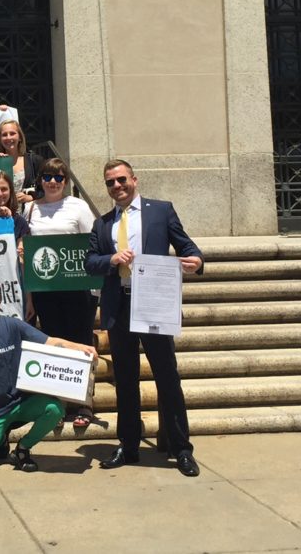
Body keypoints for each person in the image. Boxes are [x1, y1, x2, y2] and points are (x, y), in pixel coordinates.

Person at [86, 159, 204, 478]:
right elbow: (90, 263)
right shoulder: (103, 222)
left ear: (134, 180)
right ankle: (129, 444)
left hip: (154, 303)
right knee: (125, 380)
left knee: (167, 376)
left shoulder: (160, 211)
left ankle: (181, 448)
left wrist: (196, 260)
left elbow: (186, 245)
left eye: (121, 179)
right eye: (110, 182)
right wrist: (111, 259)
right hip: (119, 306)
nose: (117, 186)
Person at [0, 274, 97, 475]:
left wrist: (80, 347)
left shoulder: (12, 326)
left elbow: (49, 341)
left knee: (54, 409)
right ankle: (0, 437)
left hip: (21, 403)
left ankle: (22, 449)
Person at [24, 156, 97, 427]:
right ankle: (57, 404)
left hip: (78, 287)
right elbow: (26, 250)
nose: (52, 182)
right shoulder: (29, 209)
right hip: (45, 289)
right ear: (40, 180)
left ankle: (83, 405)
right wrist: (30, 294)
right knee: (53, 344)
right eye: (47, 177)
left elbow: (92, 242)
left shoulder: (78, 206)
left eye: (58, 177)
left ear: (66, 181)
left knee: (81, 342)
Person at [0, 119, 43, 205]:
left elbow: (46, 189)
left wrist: (31, 197)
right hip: (2, 214)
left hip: (27, 215)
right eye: (4, 135)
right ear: (0, 140)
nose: (8, 137)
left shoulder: (34, 161)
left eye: (12, 133)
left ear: (20, 137)